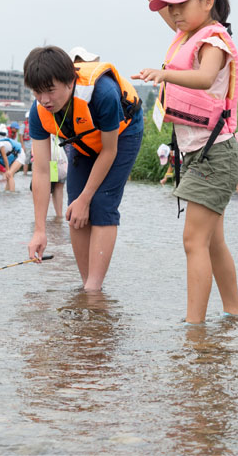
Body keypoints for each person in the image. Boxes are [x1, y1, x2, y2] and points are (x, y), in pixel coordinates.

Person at [110, 0, 238, 323]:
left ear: (208, 1)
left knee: (193, 242)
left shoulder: (214, 40)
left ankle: (194, 331)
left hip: (214, 154)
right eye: (173, 7)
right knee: (213, 242)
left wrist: (164, 73)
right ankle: (234, 316)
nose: (175, 12)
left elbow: (204, 78)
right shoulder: (188, 31)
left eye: (183, 4)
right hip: (201, 152)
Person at [25, 46, 143, 291]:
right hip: (84, 140)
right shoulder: (38, 111)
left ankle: (93, 291)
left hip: (122, 134)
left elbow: (109, 151)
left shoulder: (103, 94)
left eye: (50, 91)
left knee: (100, 204)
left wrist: (86, 198)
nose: (44, 100)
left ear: (70, 82)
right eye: (37, 92)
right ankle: (86, 284)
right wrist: (39, 230)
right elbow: (42, 171)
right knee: (74, 210)